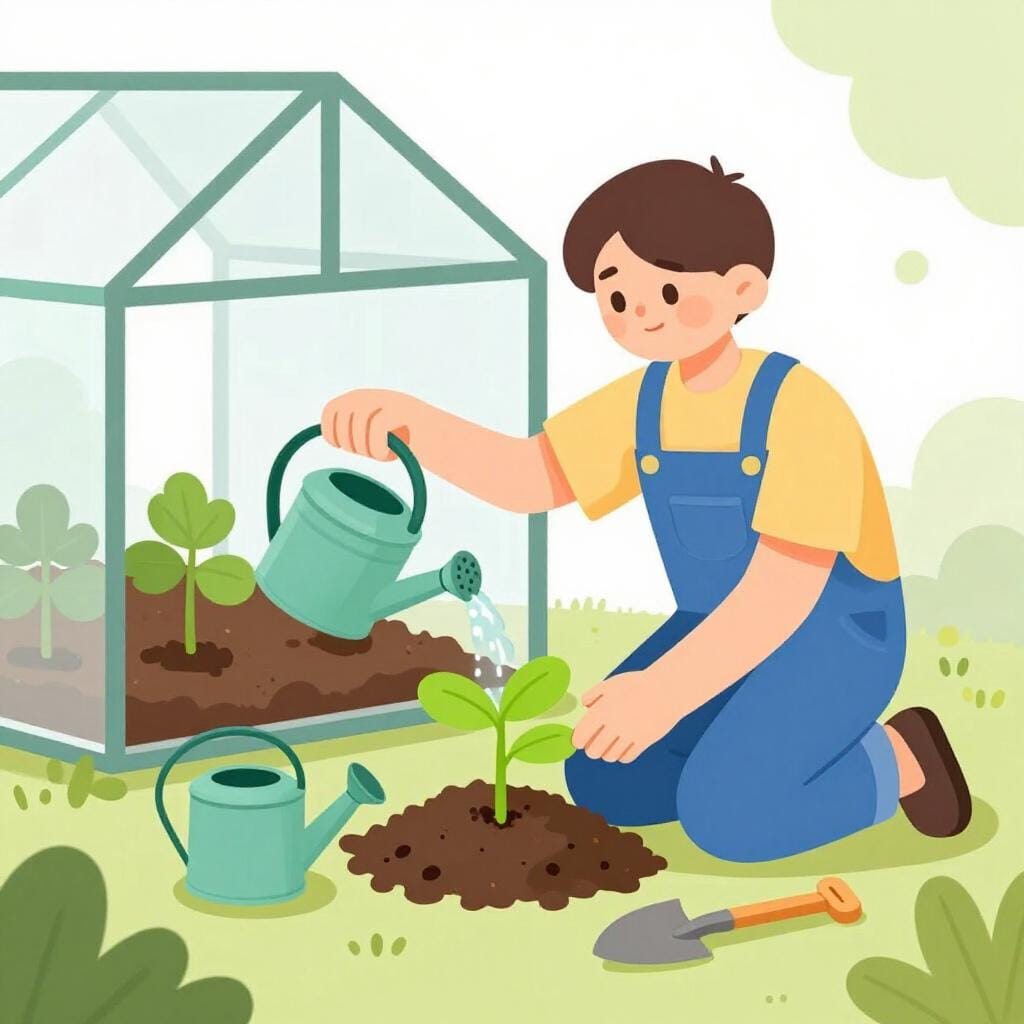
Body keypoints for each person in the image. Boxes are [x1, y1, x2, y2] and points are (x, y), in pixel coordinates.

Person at [321, 157, 971, 862]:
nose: (642, 314)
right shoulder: (647, 402)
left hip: (834, 639)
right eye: (616, 297)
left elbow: (781, 594)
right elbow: (532, 474)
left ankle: (898, 759)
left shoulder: (801, 407)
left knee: (729, 823)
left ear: (743, 287)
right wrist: (414, 424)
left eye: (665, 287)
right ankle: (743, 757)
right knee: (606, 777)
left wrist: (665, 693)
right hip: (715, 627)